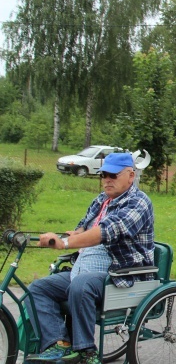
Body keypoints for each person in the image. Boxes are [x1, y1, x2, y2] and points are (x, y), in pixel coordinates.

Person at [26, 153, 154, 364]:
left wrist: (65, 244)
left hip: (121, 272)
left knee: (81, 285)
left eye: (113, 175)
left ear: (131, 176)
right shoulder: (101, 200)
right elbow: (81, 229)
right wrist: (56, 238)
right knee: (38, 288)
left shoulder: (138, 202)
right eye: (103, 175)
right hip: (86, 267)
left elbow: (105, 232)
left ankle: (86, 352)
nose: (106, 180)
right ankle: (58, 344)